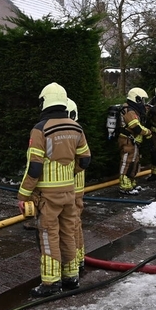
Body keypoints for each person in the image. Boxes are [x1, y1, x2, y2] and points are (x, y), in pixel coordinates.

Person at [17, 83, 90, 297]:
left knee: (49, 235)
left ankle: (51, 283)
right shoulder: (76, 128)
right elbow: (85, 160)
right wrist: (68, 173)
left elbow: (34, 167)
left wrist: (23, 194)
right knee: (68, 233)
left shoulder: (40, 129)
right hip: (69, 192)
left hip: (48, 196)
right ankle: (71, 277)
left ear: (44, 101)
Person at [116, 87, 150, 195]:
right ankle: (124, 186)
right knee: (127, 162)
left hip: (132, 141)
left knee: (134, 162)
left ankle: (130, 182)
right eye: (142, 100)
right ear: (137, 99)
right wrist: (148, 132)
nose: (143, 103)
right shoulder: (129, 111)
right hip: (127, 141)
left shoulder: (133, 109)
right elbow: (136, 127)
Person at [65, 98, 86, 273]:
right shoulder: (77, 132)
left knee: (70, 224)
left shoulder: (68, 134)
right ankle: (79, 258)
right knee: (75, 222)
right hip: (76, 186)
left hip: (71, 186)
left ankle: (75, 261)